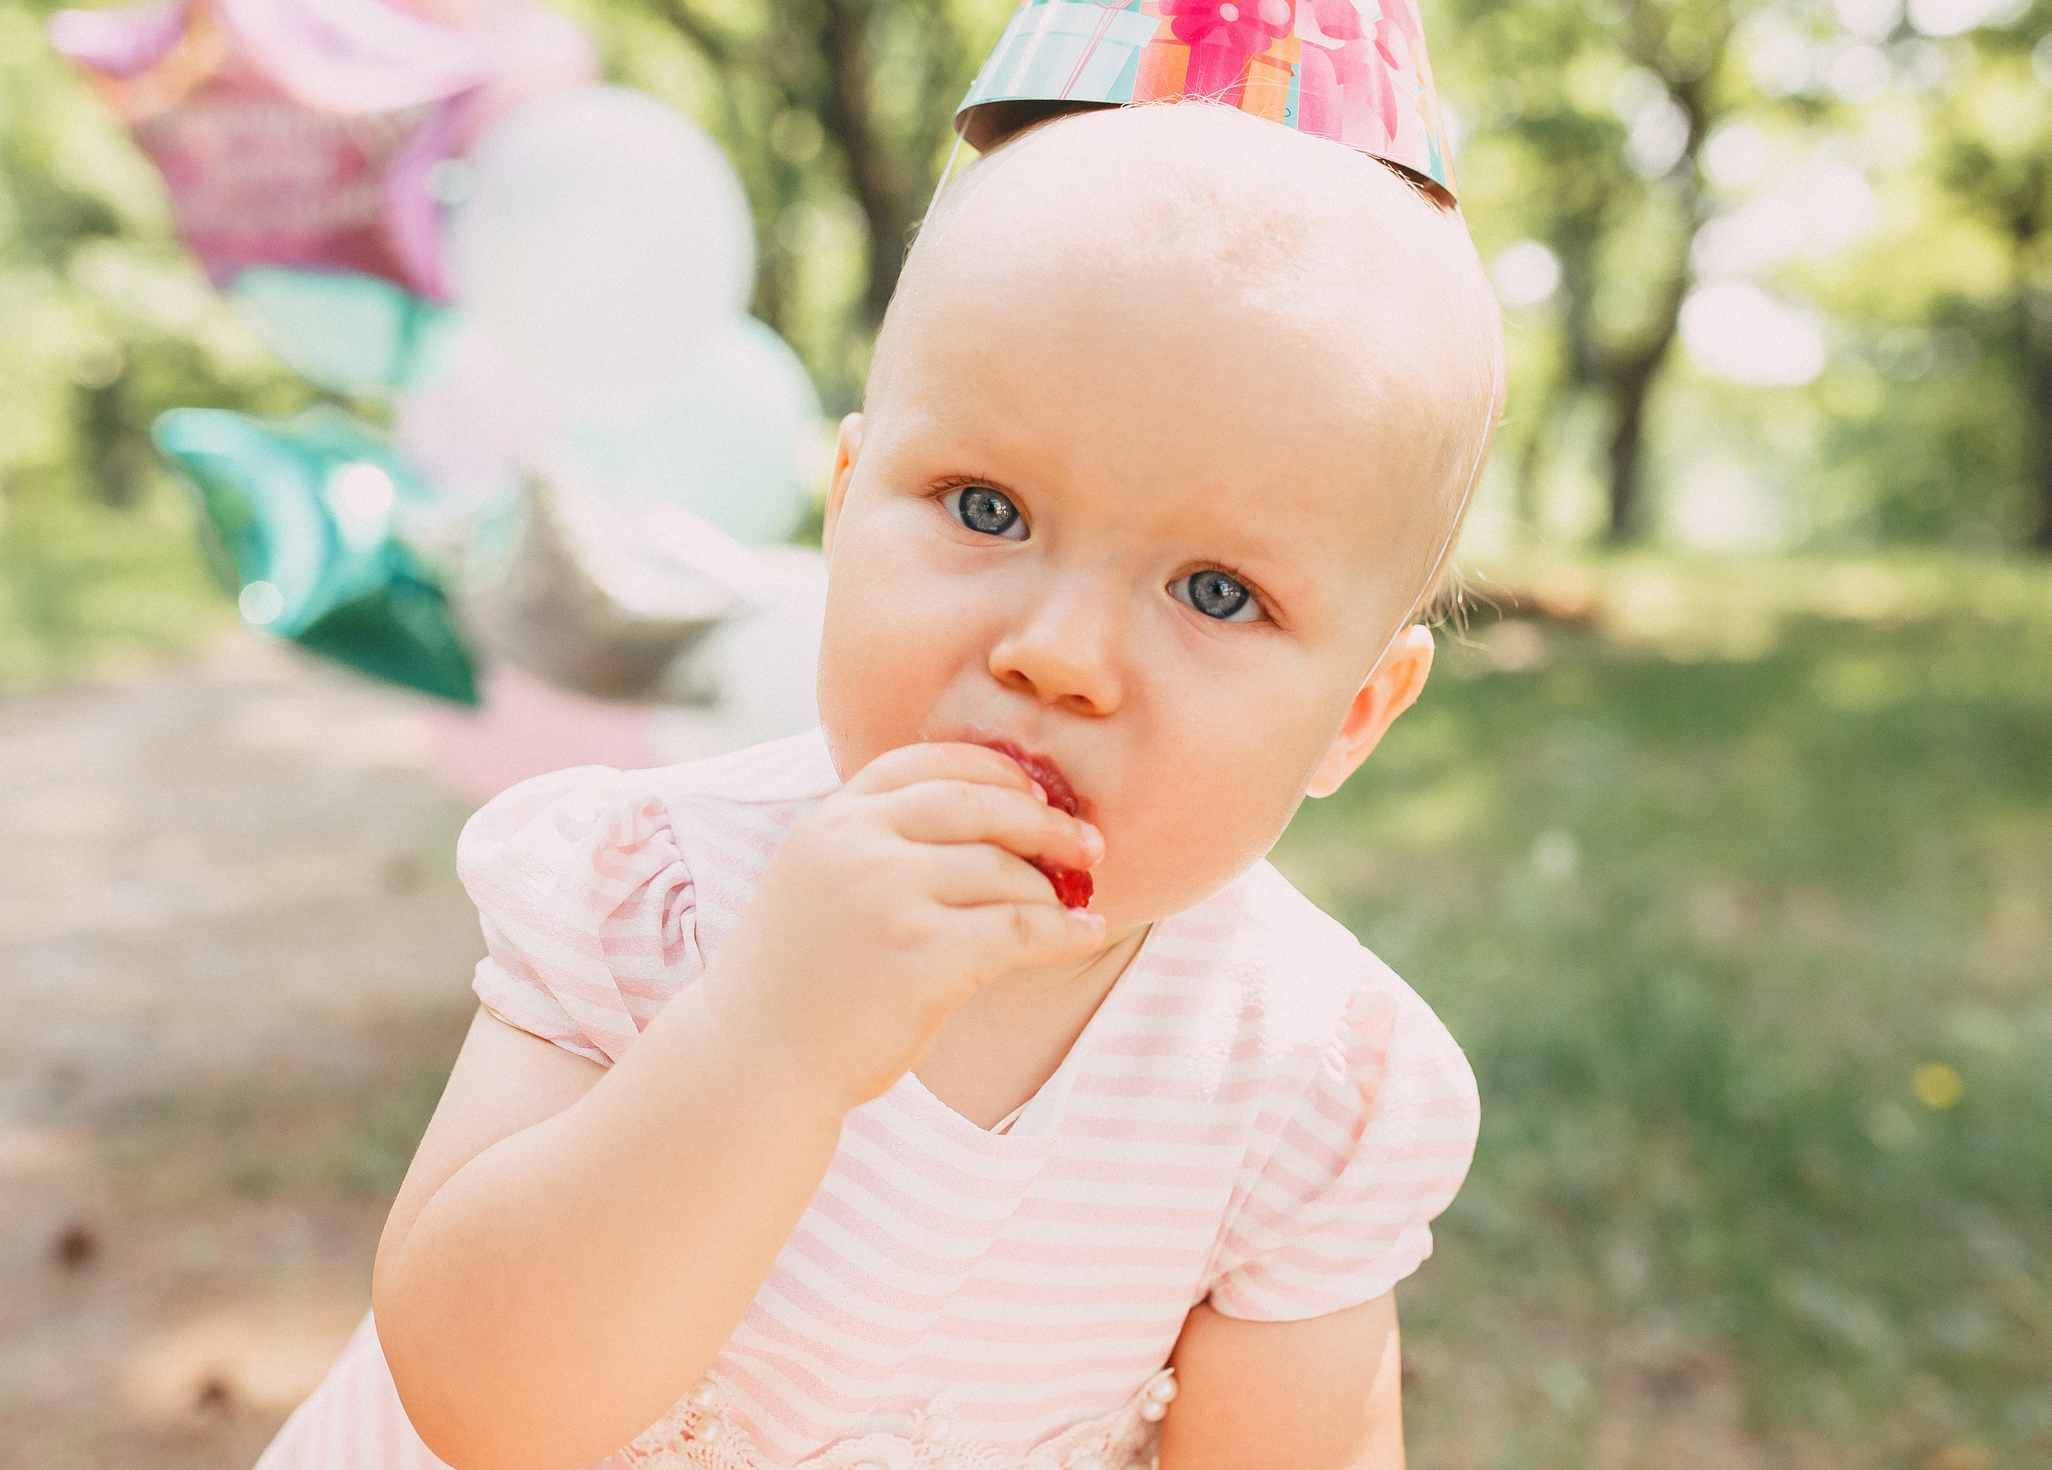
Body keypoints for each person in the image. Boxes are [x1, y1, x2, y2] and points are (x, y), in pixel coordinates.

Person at [257, 98, 1503, 1470]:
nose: (1058, 655)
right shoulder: (653, 896)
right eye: (986, 508)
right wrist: (770, 1032)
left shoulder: (1310, 1084)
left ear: (1354, 717)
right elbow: (481, 1401)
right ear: (846, 505)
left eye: (1216, 592)